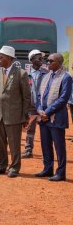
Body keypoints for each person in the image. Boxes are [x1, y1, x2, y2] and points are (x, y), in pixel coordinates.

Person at [0, 46, 31, 178]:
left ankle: (14, 167)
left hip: (13, 115)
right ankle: (0, 165)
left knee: (14, 144)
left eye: (1, 57)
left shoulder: (21, 73)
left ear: (9, 58)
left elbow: (26, 97)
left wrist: (25, 116)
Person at [35, 53, 72, 182]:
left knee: (59, 146)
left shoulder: (66, 77)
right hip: (44, 118)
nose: (48, 63)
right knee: (45, 145)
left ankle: (61, 173)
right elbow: (39, 96)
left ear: (59, 63)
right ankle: (47, 169)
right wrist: (40, 110)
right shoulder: (45, 77)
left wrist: (48, 112)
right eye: (48, 60)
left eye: (51, 61)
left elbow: (63, 99)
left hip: (56, 118)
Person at [22, 49, 48, 158]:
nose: (41, 59)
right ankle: (28, 150)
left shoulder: (46, 73)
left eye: (42, 57)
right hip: (31, 106)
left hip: (43, 106)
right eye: (39, 57)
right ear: (32, 59)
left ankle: (47, 152)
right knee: (30, 130)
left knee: (45, 130)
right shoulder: (25, 74)